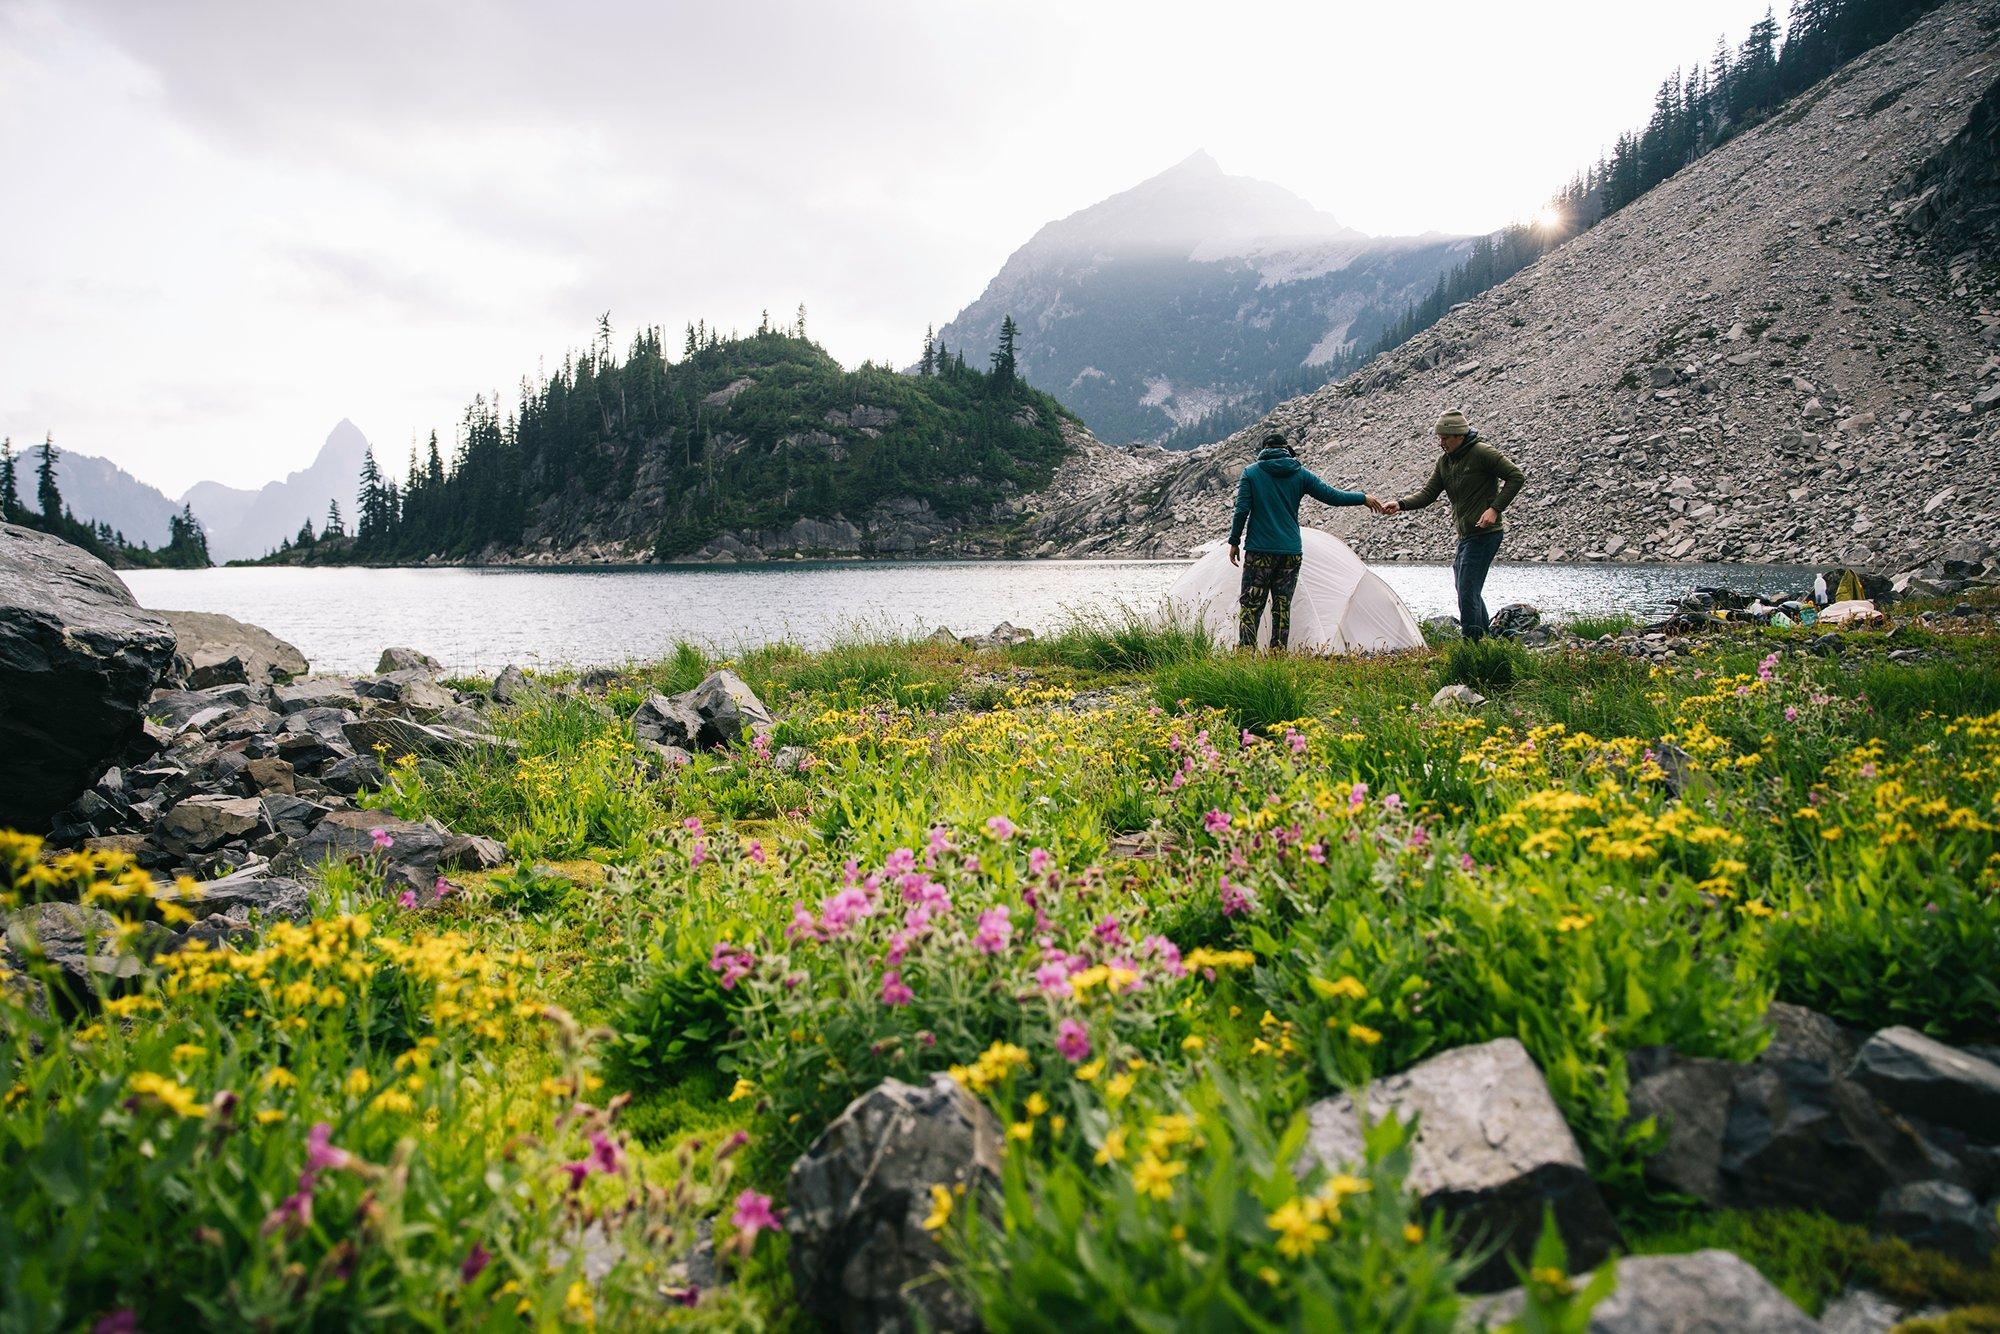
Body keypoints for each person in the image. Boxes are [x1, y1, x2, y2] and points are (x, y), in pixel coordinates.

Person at [1378, 409, 1525, 641]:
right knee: (1466, 587)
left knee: (1467, 590)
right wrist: (1400, 504)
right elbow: (1428, 493)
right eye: (1440, 437)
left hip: (1486, 533)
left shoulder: (1482, 452)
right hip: (1466, 535)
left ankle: (1472, 646)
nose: (1441, 442)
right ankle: (1484, 639)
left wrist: (1495, 509)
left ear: (1459, 435)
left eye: (1445, 438)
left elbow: (1516, 476)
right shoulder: (1445, 462)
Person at [1228, 431, 1382, 650]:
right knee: (1282, 607)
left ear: (1263, 450)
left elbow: (1242, 510)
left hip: (1260, 551)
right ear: (1286, 450)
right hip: (1290, 552)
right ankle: (1278, 658)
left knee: (1251, 606)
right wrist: (1363, 498)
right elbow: (1332, 496)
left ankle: (1245, 656)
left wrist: (1234, 541)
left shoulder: (1251, 473)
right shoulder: (1300, 474)